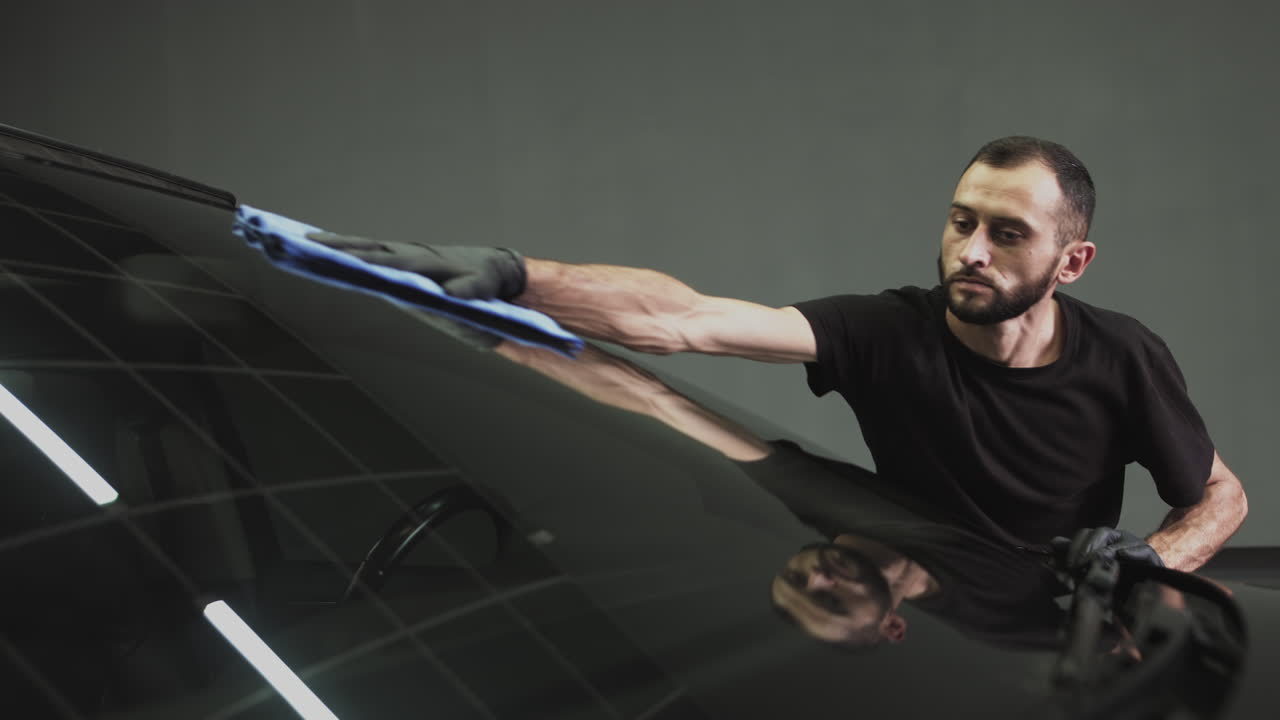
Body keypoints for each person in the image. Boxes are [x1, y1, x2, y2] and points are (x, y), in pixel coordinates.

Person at [307, 135, 1247, 572]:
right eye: (963, 221)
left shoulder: (1123, 357)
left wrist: (1154, 561)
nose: (970, 250)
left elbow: (1220, 495)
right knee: (696, 422)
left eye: (1007, 234)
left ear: (1070, 261)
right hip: (920, 598)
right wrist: (511, 277)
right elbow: (685, 320)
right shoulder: (889, 330)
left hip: (1056, 626)